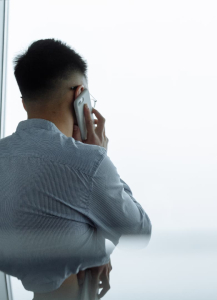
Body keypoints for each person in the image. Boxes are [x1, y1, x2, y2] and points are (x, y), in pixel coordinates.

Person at [0, 38, 152, 299]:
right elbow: (138, 233)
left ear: (25, 101)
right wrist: (100, 154)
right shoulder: (87, 163)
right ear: (79, 95)